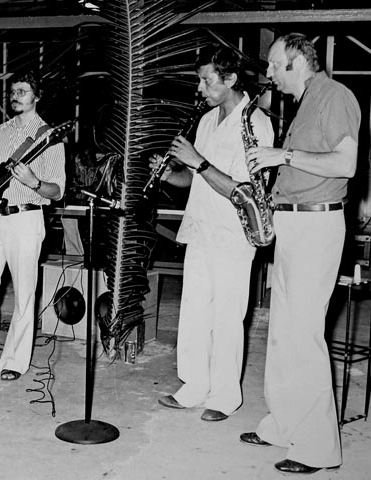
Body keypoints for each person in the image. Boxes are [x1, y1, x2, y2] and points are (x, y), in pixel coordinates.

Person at [242, 33, 360, 475]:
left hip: (317, 224)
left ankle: (317, 448)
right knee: (282, 333)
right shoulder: (305, 103)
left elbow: (344, 165)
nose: (269, 74)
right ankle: (282, 423)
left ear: (296, 61)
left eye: (274, 65)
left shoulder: (335, 96)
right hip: (292, 222)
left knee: (305, 336)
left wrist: (281, 154)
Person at [152, 46, 274, 421]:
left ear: (231, 79)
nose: (200, 87)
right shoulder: (206, 121)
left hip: (233, 235)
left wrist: (196, 160)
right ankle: (193, 386)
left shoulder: (256, 123)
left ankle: (223, 396)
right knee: (193, 313)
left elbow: (244, 189)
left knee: (226, 317)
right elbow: (194, 179)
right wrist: (170, 174)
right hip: (201, 230)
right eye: (199, 79)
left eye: (207, 80)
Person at [0, 72, 65, 381]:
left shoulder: (50, 137)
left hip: (27, 218)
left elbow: (58, 190)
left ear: (36, 96)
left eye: (23, 91)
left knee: (24, 295)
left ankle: (14, 362)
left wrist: (34, 182)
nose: (16, 95)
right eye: (13, 91)